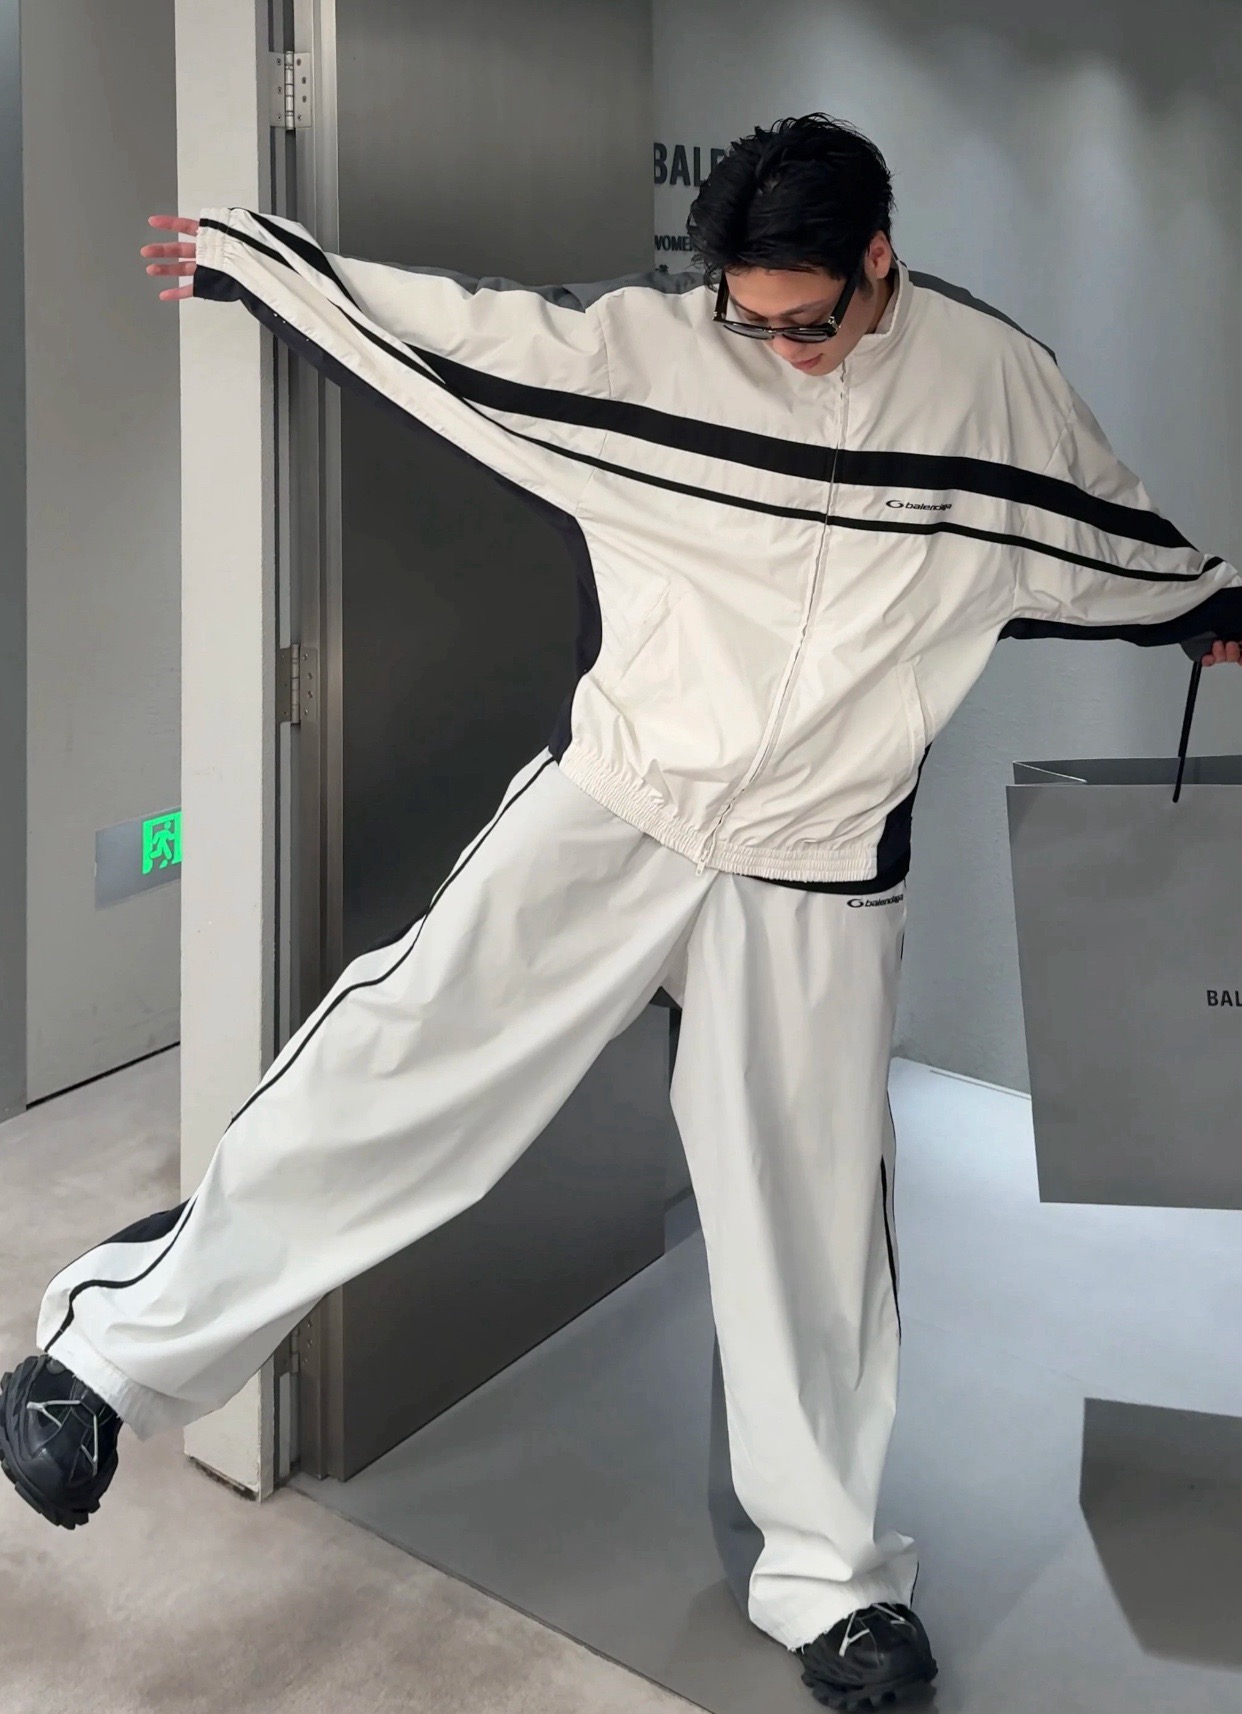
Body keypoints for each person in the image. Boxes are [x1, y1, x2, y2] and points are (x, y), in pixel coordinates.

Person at [3, 112, 1240, 1711]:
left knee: (811, 1235)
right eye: (749, 319)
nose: (777, 349)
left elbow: (1098, 535)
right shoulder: (658, 357)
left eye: (806, 320)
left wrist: (1203, 601)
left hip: (816, 860)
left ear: (877, 260)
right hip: (622, 804)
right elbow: (460, 339)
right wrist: (271, 266)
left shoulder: (995, 389)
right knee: (401, 1065)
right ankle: (104, 1361)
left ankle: (836, 1584)